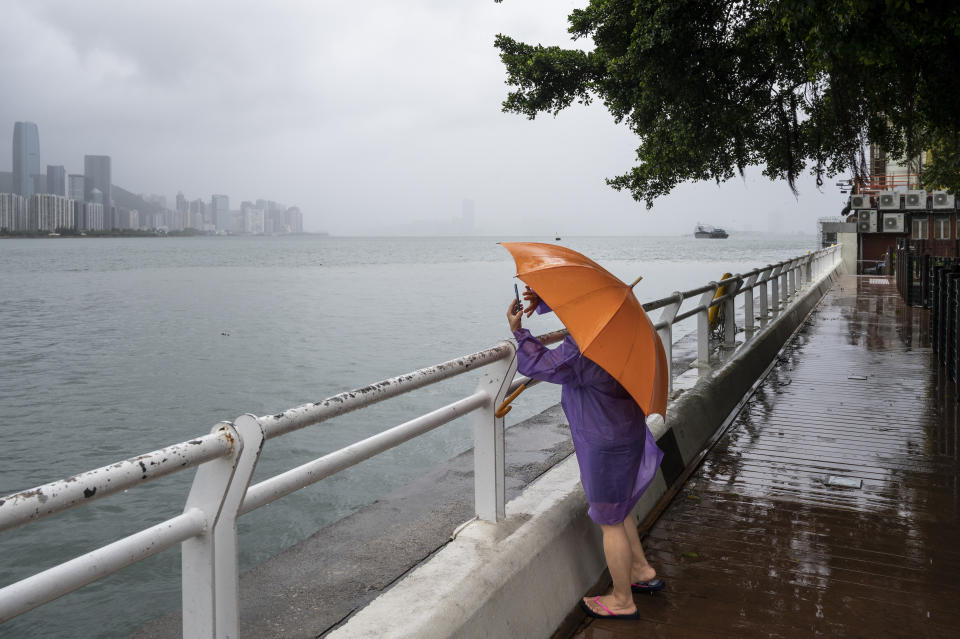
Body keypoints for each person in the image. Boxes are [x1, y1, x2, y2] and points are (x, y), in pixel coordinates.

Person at [506, 287, 665, 620]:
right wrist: (547, 300)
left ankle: (622, 599)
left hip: (604, 440)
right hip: (627, 430)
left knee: (609, 520)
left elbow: (545, 365)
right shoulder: (623, 335)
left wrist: (519, 332)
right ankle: (640, 570)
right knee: (620, 509)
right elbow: (583, 314)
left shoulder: (585, 349)